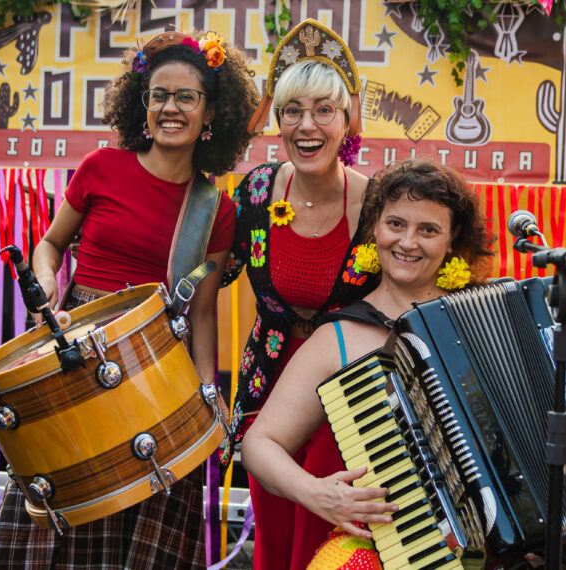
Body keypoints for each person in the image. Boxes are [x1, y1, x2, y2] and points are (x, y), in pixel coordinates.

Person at [241, 158, 566, 566]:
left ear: (452, 241)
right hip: (410, 543)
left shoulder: (506, 314)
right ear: (375, 228)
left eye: (428, 230)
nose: (407, 242)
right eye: (395, 224)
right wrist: (315, 492)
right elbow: (260, 443)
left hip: (533, 542)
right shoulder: (338, 337)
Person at [0, 29, 258, 569]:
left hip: (156, 368)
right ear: (142, 104)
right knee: (60, 504)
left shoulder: (216, 209)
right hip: (75, 351)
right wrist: (47, 282)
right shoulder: (100, 168)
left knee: (141, 521)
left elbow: (202, 313)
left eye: (186, 97)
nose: (170, 108)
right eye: (159, 95)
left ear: (211, 112)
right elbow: (50, 245)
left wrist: (207, 396)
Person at [220, 19, 380, 569]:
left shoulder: (379, 204)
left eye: (323, 110)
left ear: (347, 119)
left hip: (350, 396)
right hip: (269, 391)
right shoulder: (256, 192)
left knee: (329, 541)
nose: (306, 125)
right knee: (273, 539)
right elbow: (209, 273)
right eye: (292, 110)